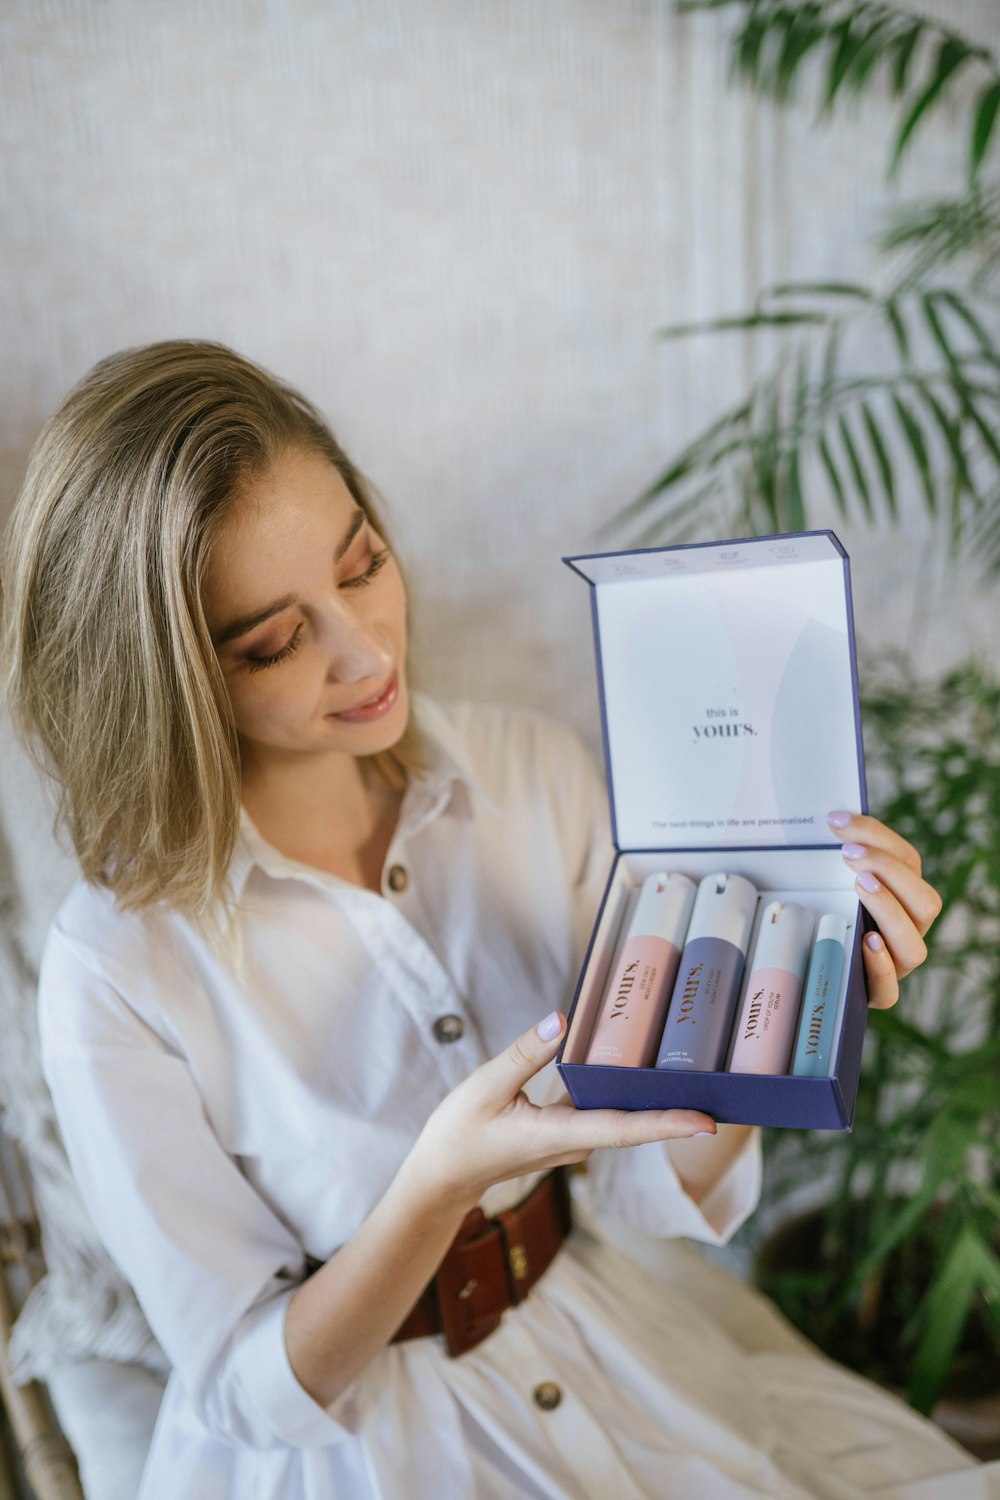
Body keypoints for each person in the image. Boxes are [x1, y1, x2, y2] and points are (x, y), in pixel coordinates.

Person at [0, 341, 988, 1500]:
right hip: (354, 1452)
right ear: (165, 679)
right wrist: (438, 1186)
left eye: (362, 565)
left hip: (603, 1344)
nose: (365, 651)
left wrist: (800, 989)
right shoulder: (115, 966)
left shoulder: (529, 773)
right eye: (273, 640)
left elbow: (646, 1184)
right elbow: (242, 1388)